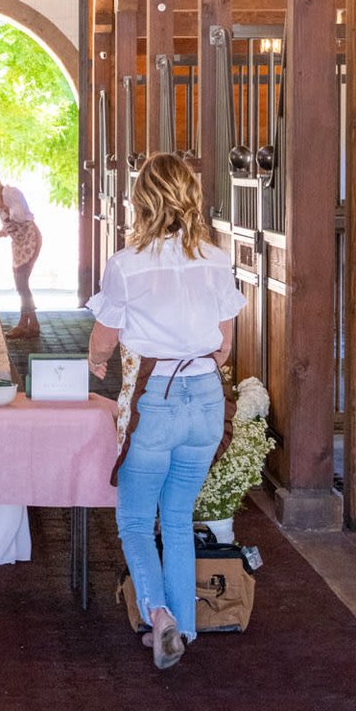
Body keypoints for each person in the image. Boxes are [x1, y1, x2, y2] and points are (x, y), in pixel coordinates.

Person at [87, 153, 245, 671]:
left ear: (141, 201)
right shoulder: (217, 259)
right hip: (205, 399)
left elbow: (103, 341)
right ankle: (186, 627)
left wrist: (97, 362)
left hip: (155, 397)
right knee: (177, 517)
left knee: (135, 521)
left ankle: (159, 616)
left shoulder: (127, 263)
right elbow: (224, 345)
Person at [0, 168, 42, 340]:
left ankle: (23, 323)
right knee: (22, 283)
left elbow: (20, 217)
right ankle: (33, 323)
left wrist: (4, 206)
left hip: (29, 238)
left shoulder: (10, 193)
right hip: (18, 242)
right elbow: (8, 227)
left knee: (21, 283)